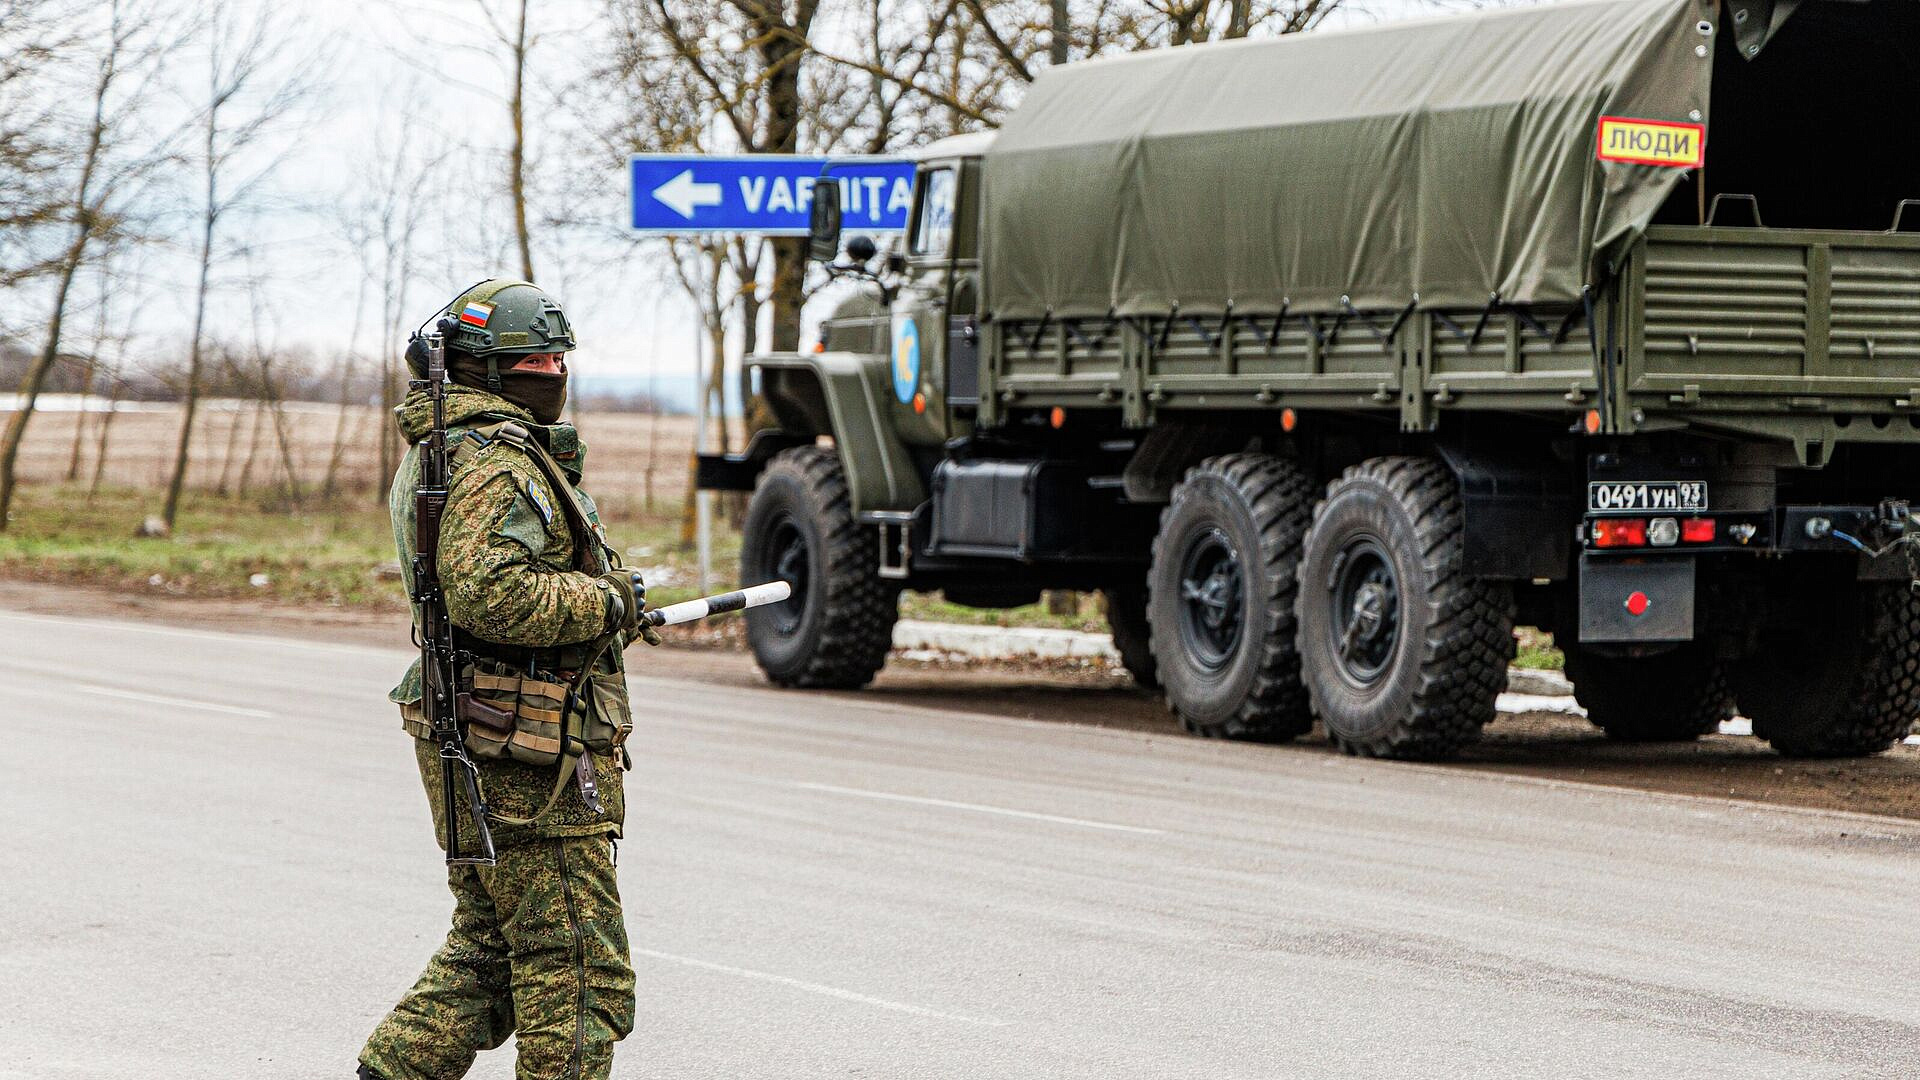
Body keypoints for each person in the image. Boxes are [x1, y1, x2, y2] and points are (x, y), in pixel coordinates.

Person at [359, 279, 657, 1080]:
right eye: (535, 360)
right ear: (484, 373)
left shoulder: (448, 450)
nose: (554, 372)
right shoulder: (495, 460)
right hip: (523, 747)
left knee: (488, 958)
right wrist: (608, 599)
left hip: (472, 725)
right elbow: (493, 593)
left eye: (560, 358)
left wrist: (606, 601)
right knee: (578, 977)